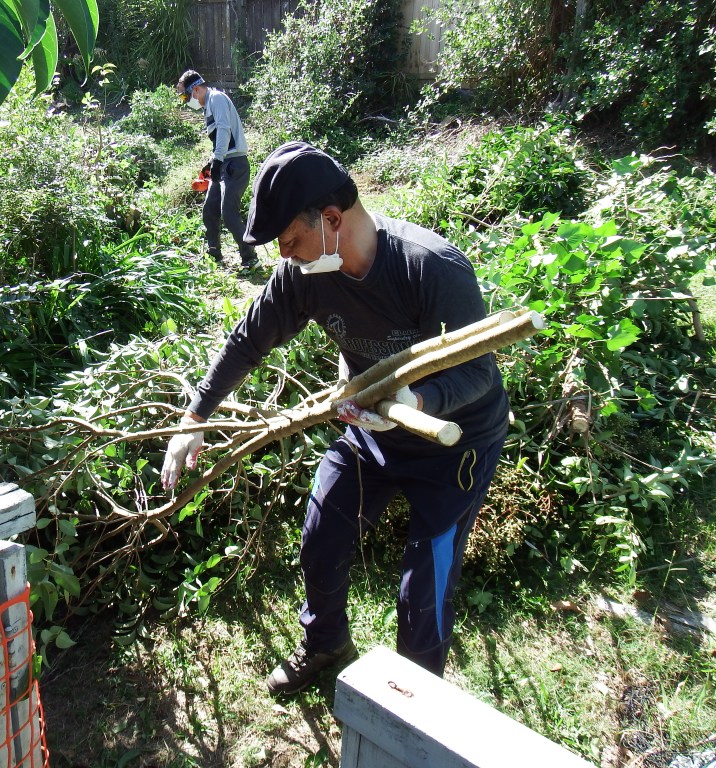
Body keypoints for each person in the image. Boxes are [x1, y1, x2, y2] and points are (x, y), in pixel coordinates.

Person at [160, 141, 510, 695]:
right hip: (372, 430)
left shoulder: (429, 267)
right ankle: (326, 643)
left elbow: (477, 374)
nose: (284, 255)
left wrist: (415, 404)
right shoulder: (305, 271)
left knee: (424, 589)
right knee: (322, 534)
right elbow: (250, 340)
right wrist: (194, 417)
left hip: (455, 444)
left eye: (289, 239)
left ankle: (416, 704)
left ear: (330, 219)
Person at [177, 69, 259, 271]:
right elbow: (219, 141)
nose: (185, 101)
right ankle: (214, 255)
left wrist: (218, 159)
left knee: (228, 213)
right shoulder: (208, 106)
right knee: (209, 210)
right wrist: (212, 162)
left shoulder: (217, 99)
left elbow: (224, 129)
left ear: (196, 89)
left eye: (185, 96)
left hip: (234, 164)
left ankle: (250, 258)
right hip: (223, 163)